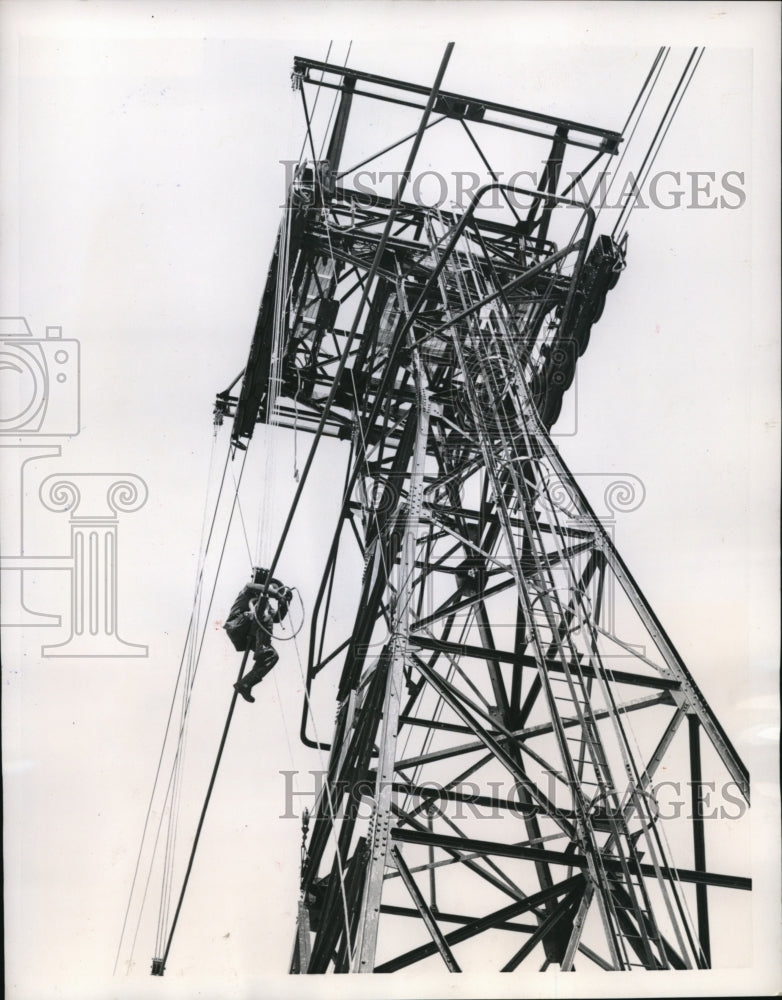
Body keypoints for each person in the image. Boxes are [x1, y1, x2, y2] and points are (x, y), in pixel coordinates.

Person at [224, 567, 293, 703]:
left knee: (272, 656)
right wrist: (277, 594)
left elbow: (277, 618)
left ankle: (246, 684)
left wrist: (285, 603)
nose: (273, 592)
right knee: (263, 613)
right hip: (238, 626)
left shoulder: (265, 606)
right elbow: (250, 586)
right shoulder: (247, 592)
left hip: (250, 631)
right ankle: (262, 647)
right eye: (272, 588)